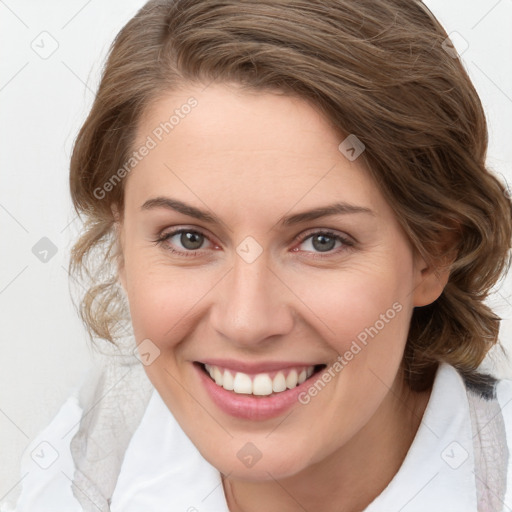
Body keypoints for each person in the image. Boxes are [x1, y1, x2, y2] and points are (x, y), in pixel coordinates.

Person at [6, 0, 512, 511]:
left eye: (322, 241)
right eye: (189, 238)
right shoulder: (76, 466)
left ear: (433, 254)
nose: (247, 322)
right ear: (122, 245)